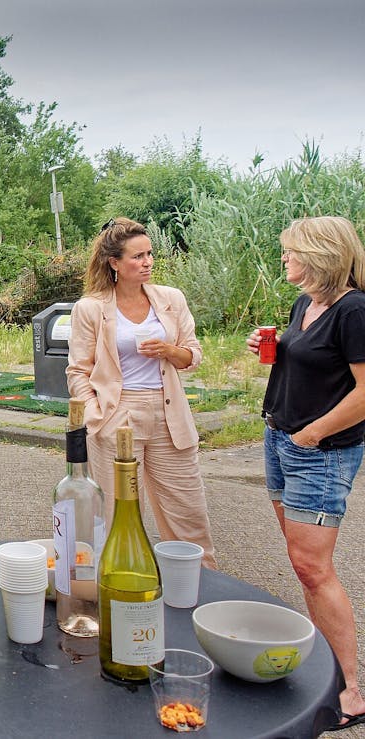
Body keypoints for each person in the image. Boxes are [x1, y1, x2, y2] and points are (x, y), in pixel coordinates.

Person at [246, 216, 365, 731]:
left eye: (291, 251)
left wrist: (312, 434)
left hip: (319, 451)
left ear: (320, 254)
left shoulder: (354, 310)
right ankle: (326, 674)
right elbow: (310, 365)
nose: (284, 258)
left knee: (315, 569)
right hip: (281, 440)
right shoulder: (306, 303)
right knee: (302, 565)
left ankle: (351, 692)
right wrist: (267, 350)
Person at [66, 217, 216, 567]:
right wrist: (96, 417)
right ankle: (117, 581)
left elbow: (192, 355)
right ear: (114, 263)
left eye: (149, 254)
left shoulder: (171, 299)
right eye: (137, 256)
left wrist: (168, 350)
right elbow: (78, 371)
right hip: (117, 413)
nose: (147, 262)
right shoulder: (90, 308)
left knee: (187, 510)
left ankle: (201, 582)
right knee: (118, 510)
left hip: (168, 411)